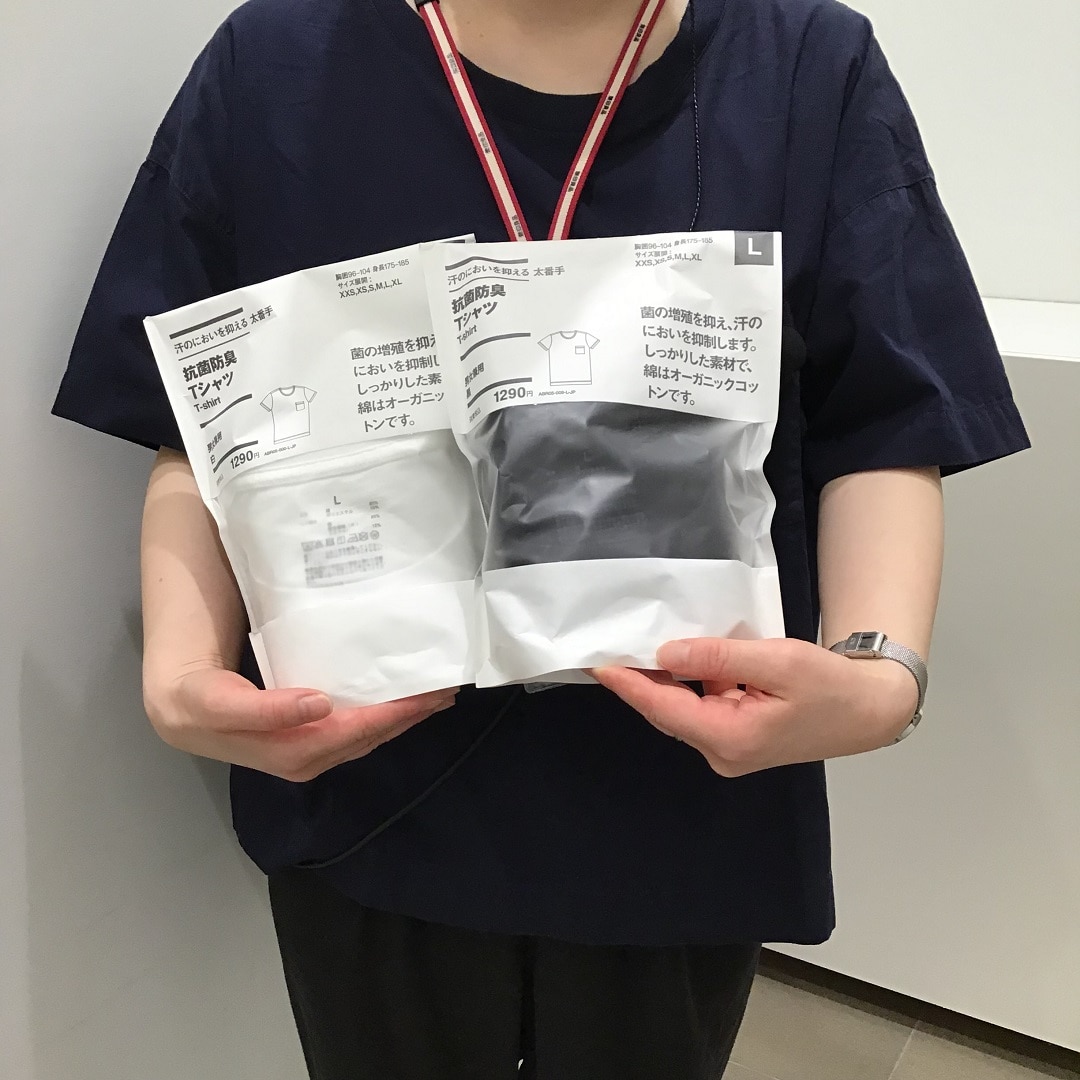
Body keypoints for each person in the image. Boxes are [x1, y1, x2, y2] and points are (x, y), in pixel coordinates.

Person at [52, 0, 1030, 1075]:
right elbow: (197, 426)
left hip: (681, 798)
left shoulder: (804, 65)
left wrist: (881, 676)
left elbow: (884, 420)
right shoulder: (271, 67)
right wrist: (179, 671)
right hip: (370, 798)